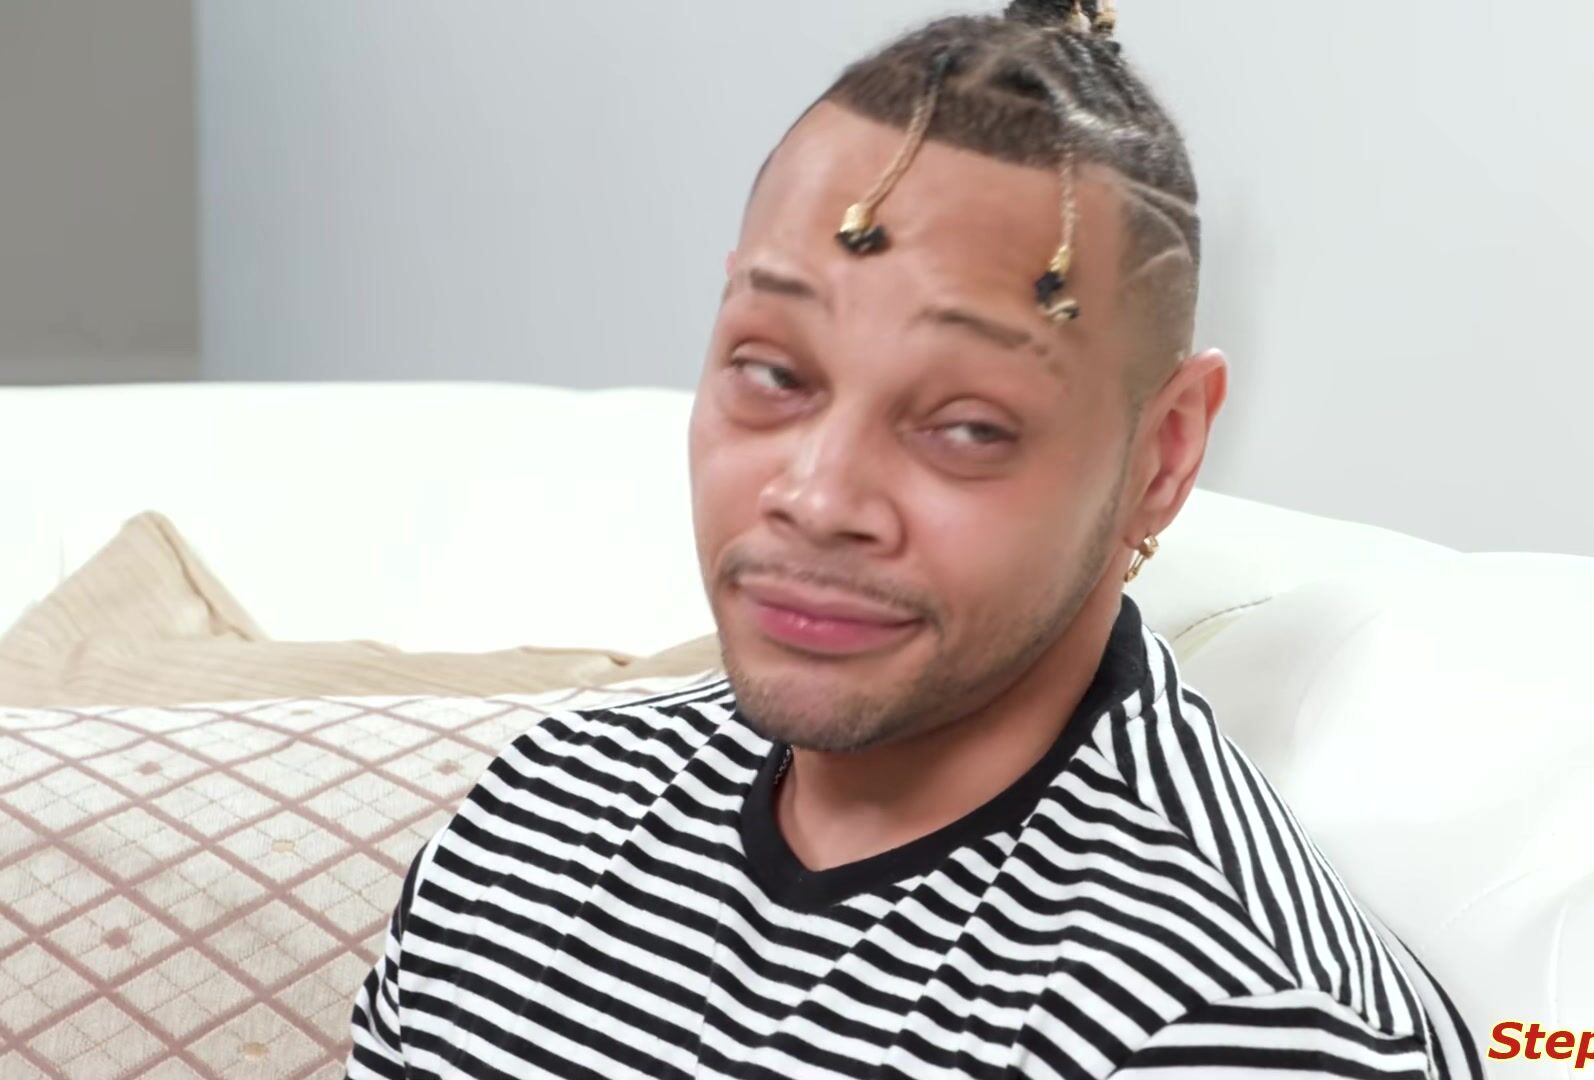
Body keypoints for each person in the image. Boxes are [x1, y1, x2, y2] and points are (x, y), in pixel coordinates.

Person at [348, 2, 1478, 1076]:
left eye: (967, 427)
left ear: (1163, 456)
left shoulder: (1228, 1017)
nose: (817, 496)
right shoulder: (537, 817)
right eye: (772, 373)